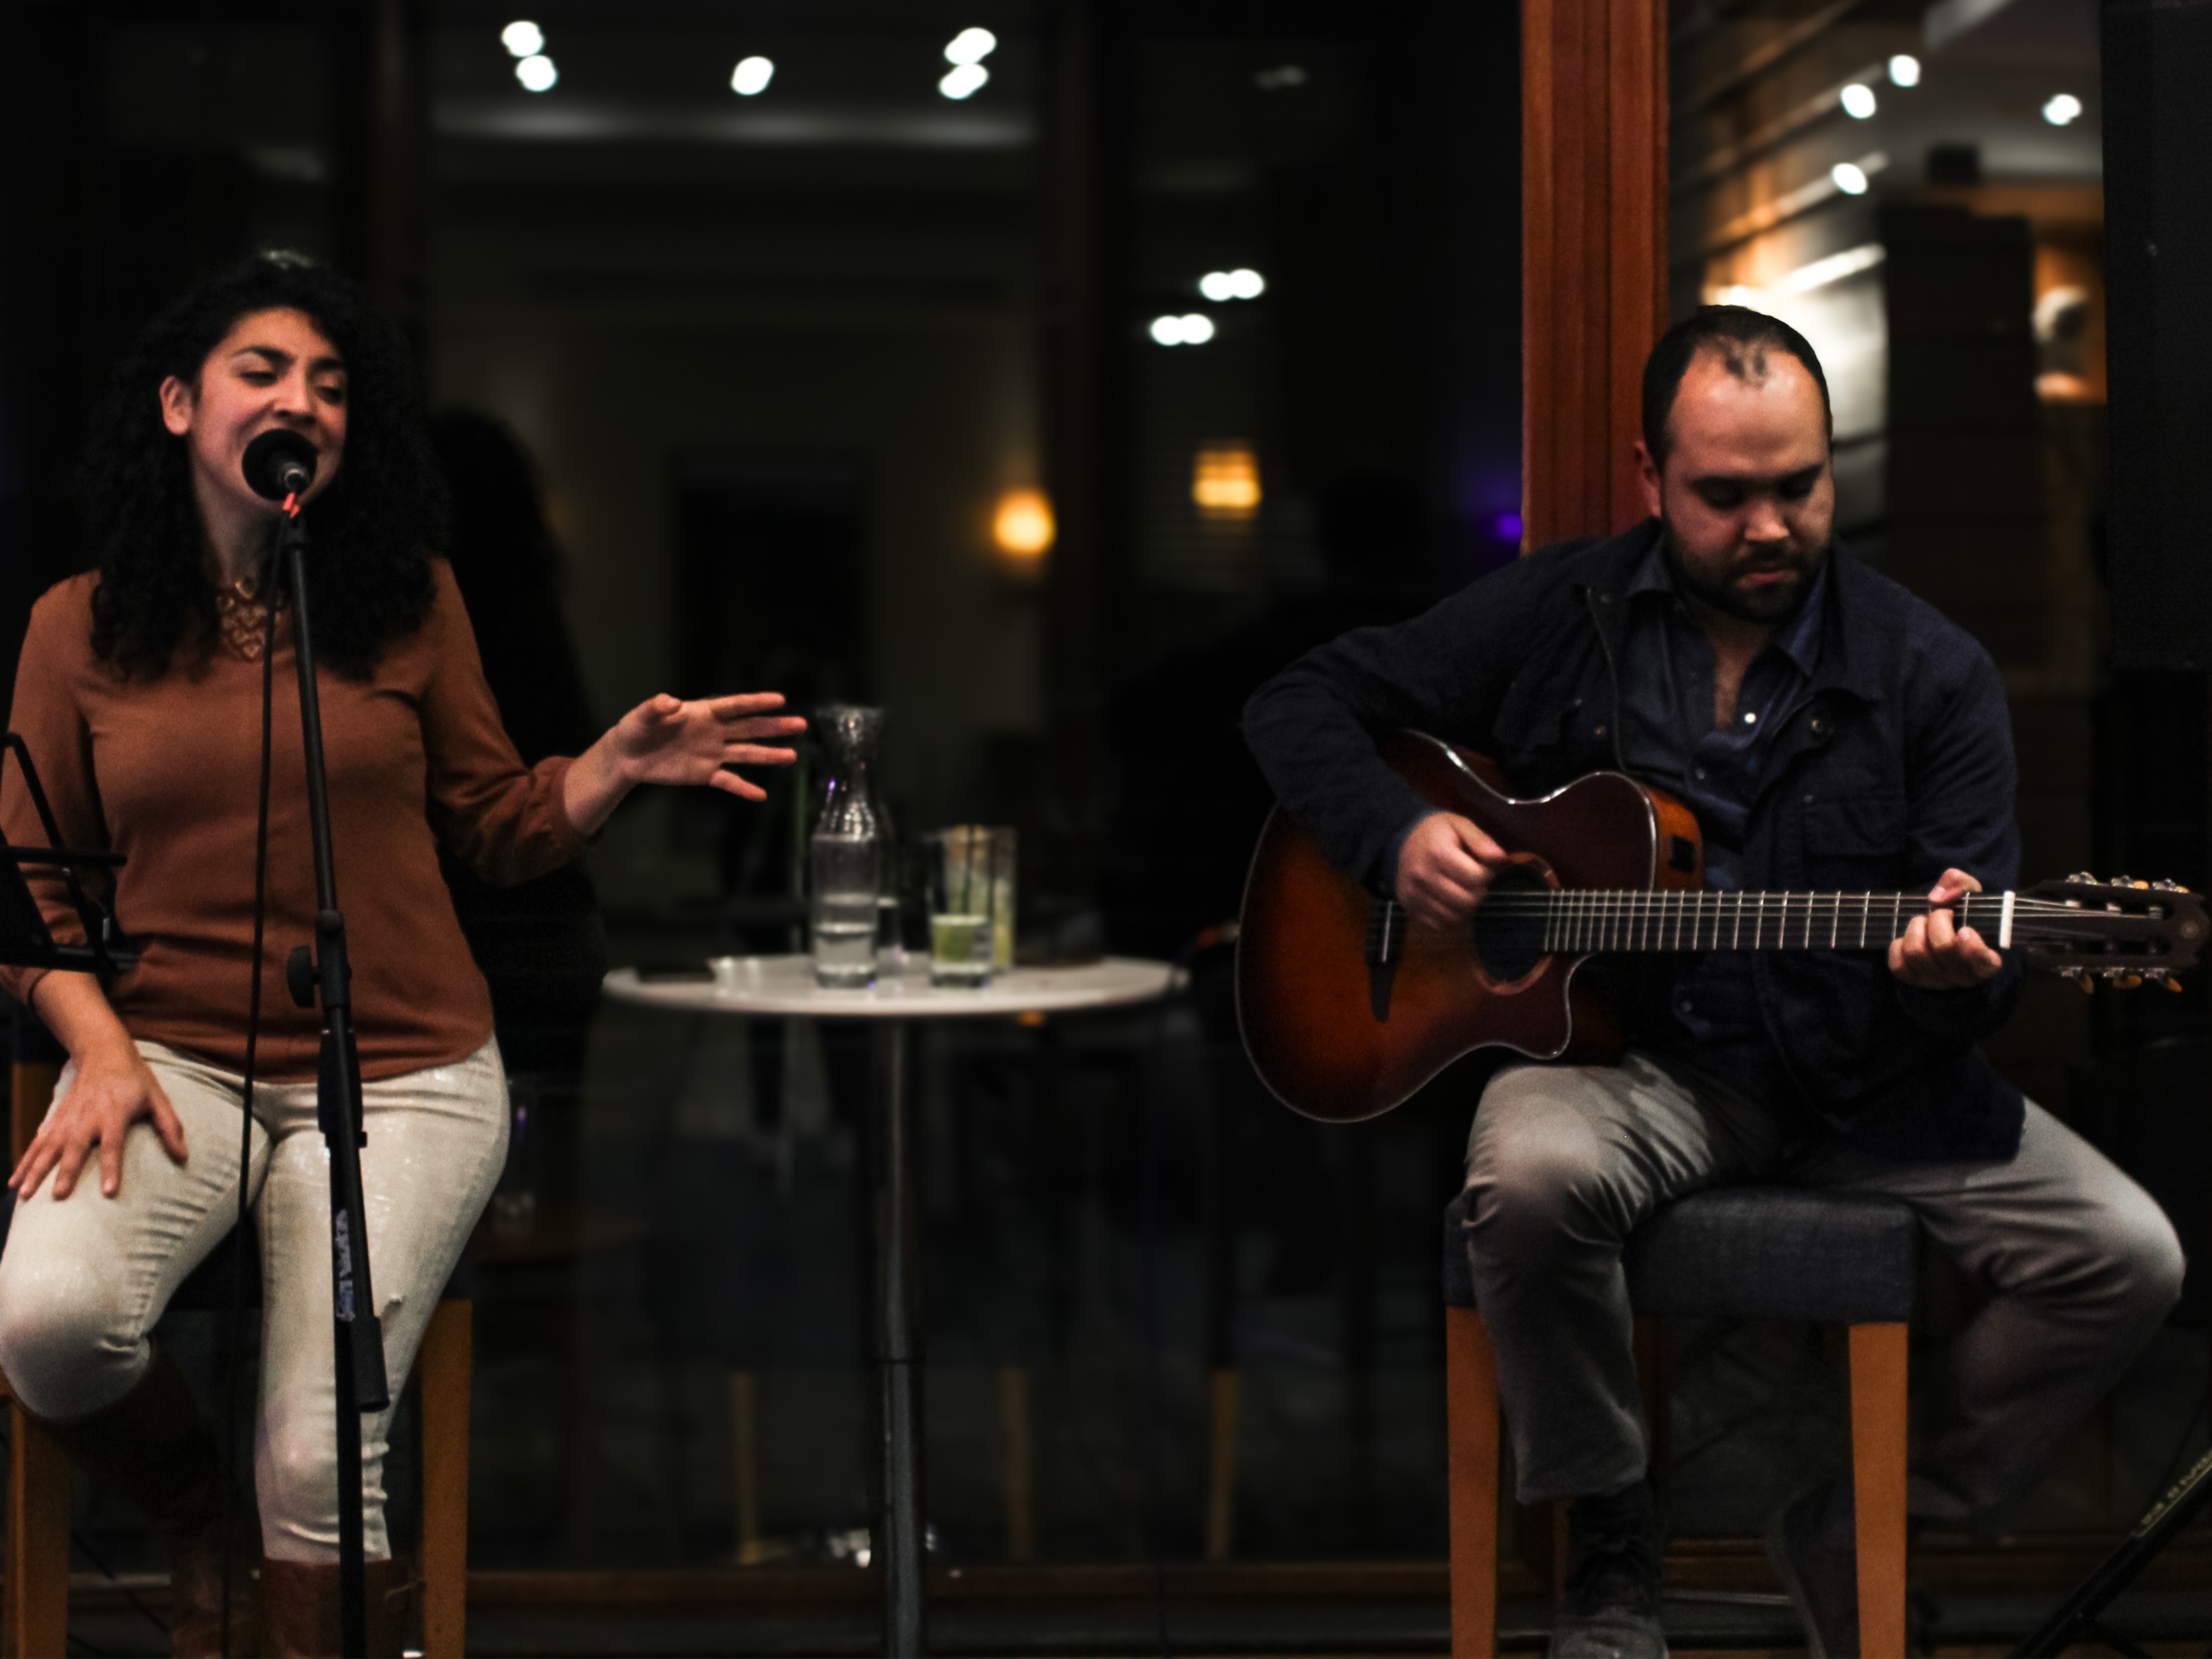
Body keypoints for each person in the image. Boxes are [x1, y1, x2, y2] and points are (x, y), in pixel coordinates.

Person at [1242, 307, 2185, 1659]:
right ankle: (1609, 1542)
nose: (1768, 526)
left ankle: (1865, 1521)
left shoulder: (1929, 674)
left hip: (1871, 1081)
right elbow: (1296, 703)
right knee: (1525, 1177)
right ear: (1650, 477)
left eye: (1797, 486)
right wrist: (1392, 836)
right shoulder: (1557, 614)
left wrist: (1944, 978)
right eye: (1724, 495)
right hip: (1628, 1065)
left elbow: (1974, 986)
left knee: (2126, 1258)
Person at [0, 252, 807, 1658]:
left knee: (318, 1453)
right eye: (263, 371)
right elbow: (25, 889)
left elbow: (497, 826)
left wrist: (610, 767)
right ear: (181, 404)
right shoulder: (75, 624)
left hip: (406, 1065)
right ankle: (200, 1519)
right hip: (171, 1054)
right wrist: (102, 1046)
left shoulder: (407, 600)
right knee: (53, 1324)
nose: (301, 400)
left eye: (330, 384)